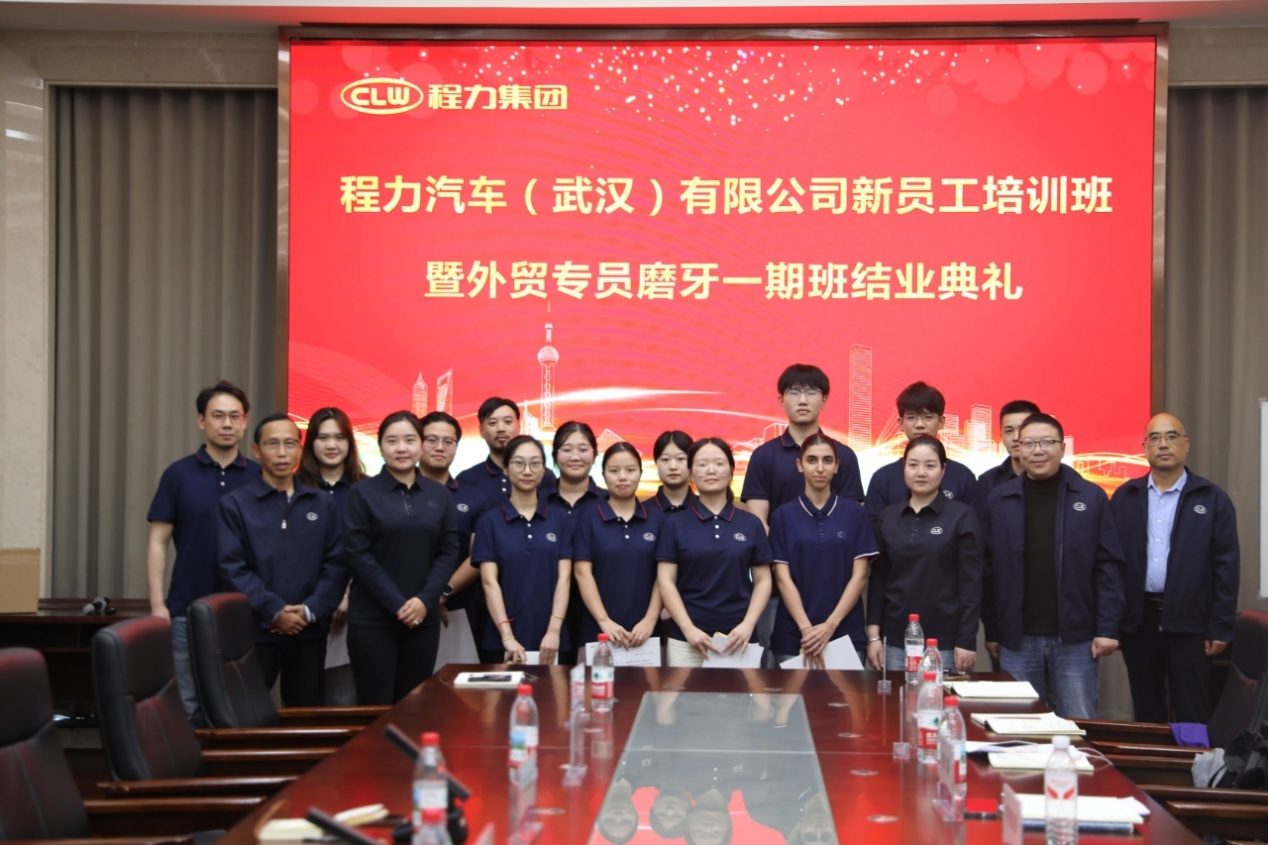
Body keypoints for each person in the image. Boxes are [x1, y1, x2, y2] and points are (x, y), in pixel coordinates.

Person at [980, 413, 1126, 718]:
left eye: (1047, 442)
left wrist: (1107, 628)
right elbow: (987, 571)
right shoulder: (999, 499)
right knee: (1020, 726)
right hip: (1017, 639)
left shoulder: (1091, 497)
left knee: (1078, 726)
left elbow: (1108, 567)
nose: (1038, 451)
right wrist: (993, 630)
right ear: (1018, 448)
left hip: (1075, 639)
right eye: (1029, 443)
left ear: (1062, 447)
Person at [1111, 413, 1240, 723]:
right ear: (1144, 447)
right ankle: (1151, 758)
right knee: (1147, 710)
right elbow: (1111, 565)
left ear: (1186, 444)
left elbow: (1226, 567)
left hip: (1191, 623)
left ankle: (1193, 756)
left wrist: (1220, 626)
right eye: (1154, 438)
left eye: (1171, 436)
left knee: (1192, 711)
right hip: (1139, 622)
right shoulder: (1125, 496)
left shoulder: (1212, 498)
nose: (1163, 444)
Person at [146, 379, 258, 726]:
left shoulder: (261, 477)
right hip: (186, 607)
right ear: (201, 421)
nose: (227, 424)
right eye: (218, 416)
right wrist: (157, 605)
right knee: (187, 705)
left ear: (244, 422)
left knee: (238, 705)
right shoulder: (178, 474)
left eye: (234, 416)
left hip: (247, 608)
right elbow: (158, 541)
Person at [218, 414, 346, 706]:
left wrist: (309, 611)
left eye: (290, 444)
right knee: (247, 712)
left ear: (300, 449)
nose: (282, 453)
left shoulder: (321, 503)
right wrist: (275, 610)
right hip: (255, 630)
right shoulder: (235, 504)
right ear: (256, 450)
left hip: (309, 629)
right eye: (272, 444)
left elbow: (336, 563)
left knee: (306, 712)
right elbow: (232, 567)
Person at [342, 411, 460, 704]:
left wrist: (425, 600)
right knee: (375, 707)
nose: (401, 448)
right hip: (372, 620)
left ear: (421, 445)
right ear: (380, 446)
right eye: (392, 441)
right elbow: (358, 554)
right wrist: (398, 604)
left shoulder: (439, 494)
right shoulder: (362, 493)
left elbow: (448, 550)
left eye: (409, 440)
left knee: (415, 707)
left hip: (423, 620)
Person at [865, 436, 983, 674]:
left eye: (930, 465)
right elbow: (878, 578)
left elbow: (971, 583)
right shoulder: (888, 516)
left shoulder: (962, 515)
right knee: (897, 698)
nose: (921, 472)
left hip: (945, 642)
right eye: (913, 465)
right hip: (895, 639)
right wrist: (874, 635)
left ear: (943, 470)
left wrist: (966, 639)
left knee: (939, 699)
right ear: (904, 468)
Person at [657, 438, 773, 667]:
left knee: (741, 693)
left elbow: (763, 580)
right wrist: (688, 629)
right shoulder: (674, 523)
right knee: (683, 692)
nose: (711, 470)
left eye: (719, 463)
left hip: (739, 638)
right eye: (702, 464)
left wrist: (748, 624)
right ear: (691, 473)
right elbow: (666, 581)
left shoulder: (750, 523)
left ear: (731, 471)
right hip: (687, 639)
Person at [768, 434, 876, 667]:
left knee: (845, 695)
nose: (819, 468)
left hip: (845, 634)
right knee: (793, 694)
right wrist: (807, 629)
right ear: (800, 465)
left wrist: (830, 626)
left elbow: (860, 576)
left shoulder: (855, 513)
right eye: (812, 460)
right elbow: (782, 578)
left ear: (836, 466)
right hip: (794, 636)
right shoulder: (782, 516)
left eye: (827, 460)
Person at [473, 435, 574, 665]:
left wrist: (554, 631)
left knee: (554, 690)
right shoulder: (490, 521)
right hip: (501, 639)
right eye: (518, 463)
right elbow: (489, 582)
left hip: (553, 638)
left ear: (544, 470)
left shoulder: (560, 519)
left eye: (535, 463)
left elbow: (565, 578)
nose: (527, 471)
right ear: (506, 469)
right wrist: (507, 636)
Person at [741, 363, 863, 527]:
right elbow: (758, 522)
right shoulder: (763, 456)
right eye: (794, 392)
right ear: (781, 400)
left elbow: (852, 518)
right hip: (778, 543)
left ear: (824, 400)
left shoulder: (843, 455)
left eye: (811, 392)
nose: (803, 401)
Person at [416, 411, 492, 660]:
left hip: (460, 608)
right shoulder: (395, 492)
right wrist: (423, 599)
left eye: (448, 441)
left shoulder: (474, 497)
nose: (440, 447)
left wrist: (440, 595)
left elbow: (478, 554)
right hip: (403, 606)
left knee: (458, 682)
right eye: (432, 440)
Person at [573, 442, 664, 649]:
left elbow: (664, 576)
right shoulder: (588, 517)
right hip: (598, 632)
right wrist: (604, 621)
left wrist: (650, 620)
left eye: (630, 470)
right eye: (614, 471)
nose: (622, 477)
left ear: (640, 473)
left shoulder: (657, 519)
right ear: (603, 475)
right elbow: (582, 572)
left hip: (646, 634)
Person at [864, 381, 978, 526]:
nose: (919, 425)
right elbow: (872, 530)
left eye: (928, 417)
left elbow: (973, 527)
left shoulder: (963, 476)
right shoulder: (882, 478)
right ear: (901, 424)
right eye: (911, 417)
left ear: (941, 422)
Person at [455, 396, 558, 501]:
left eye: (508, 422)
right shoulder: (466, 480)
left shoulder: (543, 476)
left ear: (519, 426)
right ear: (481, 430)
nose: (501, 429)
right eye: (493, 423)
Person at [296, 406, 365, 515]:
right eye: (323, 438)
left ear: (349, 442)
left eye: (339, 438)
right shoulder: (293, 487)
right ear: (311, 443)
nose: (331, 446)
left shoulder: (368, 488)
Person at [976, 399, 1041, 505]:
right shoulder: (988, 481)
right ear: (1001, 436)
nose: (1016, 437)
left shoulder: (1063, 478)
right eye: (1009, 431)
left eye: (1022, 429)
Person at [546, 419, 605, 515]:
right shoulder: (538, 502)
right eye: (567, 450)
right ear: (555, 455)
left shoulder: (610, 502)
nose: (575, 457)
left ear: (594, 454)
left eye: (583, 450)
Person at [645, 430, 696, 514]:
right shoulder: (642, 512)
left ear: (692, 462)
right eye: (665, 459)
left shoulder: (706, 509)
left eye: (680, 459)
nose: (673, 467)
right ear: (656, 462)